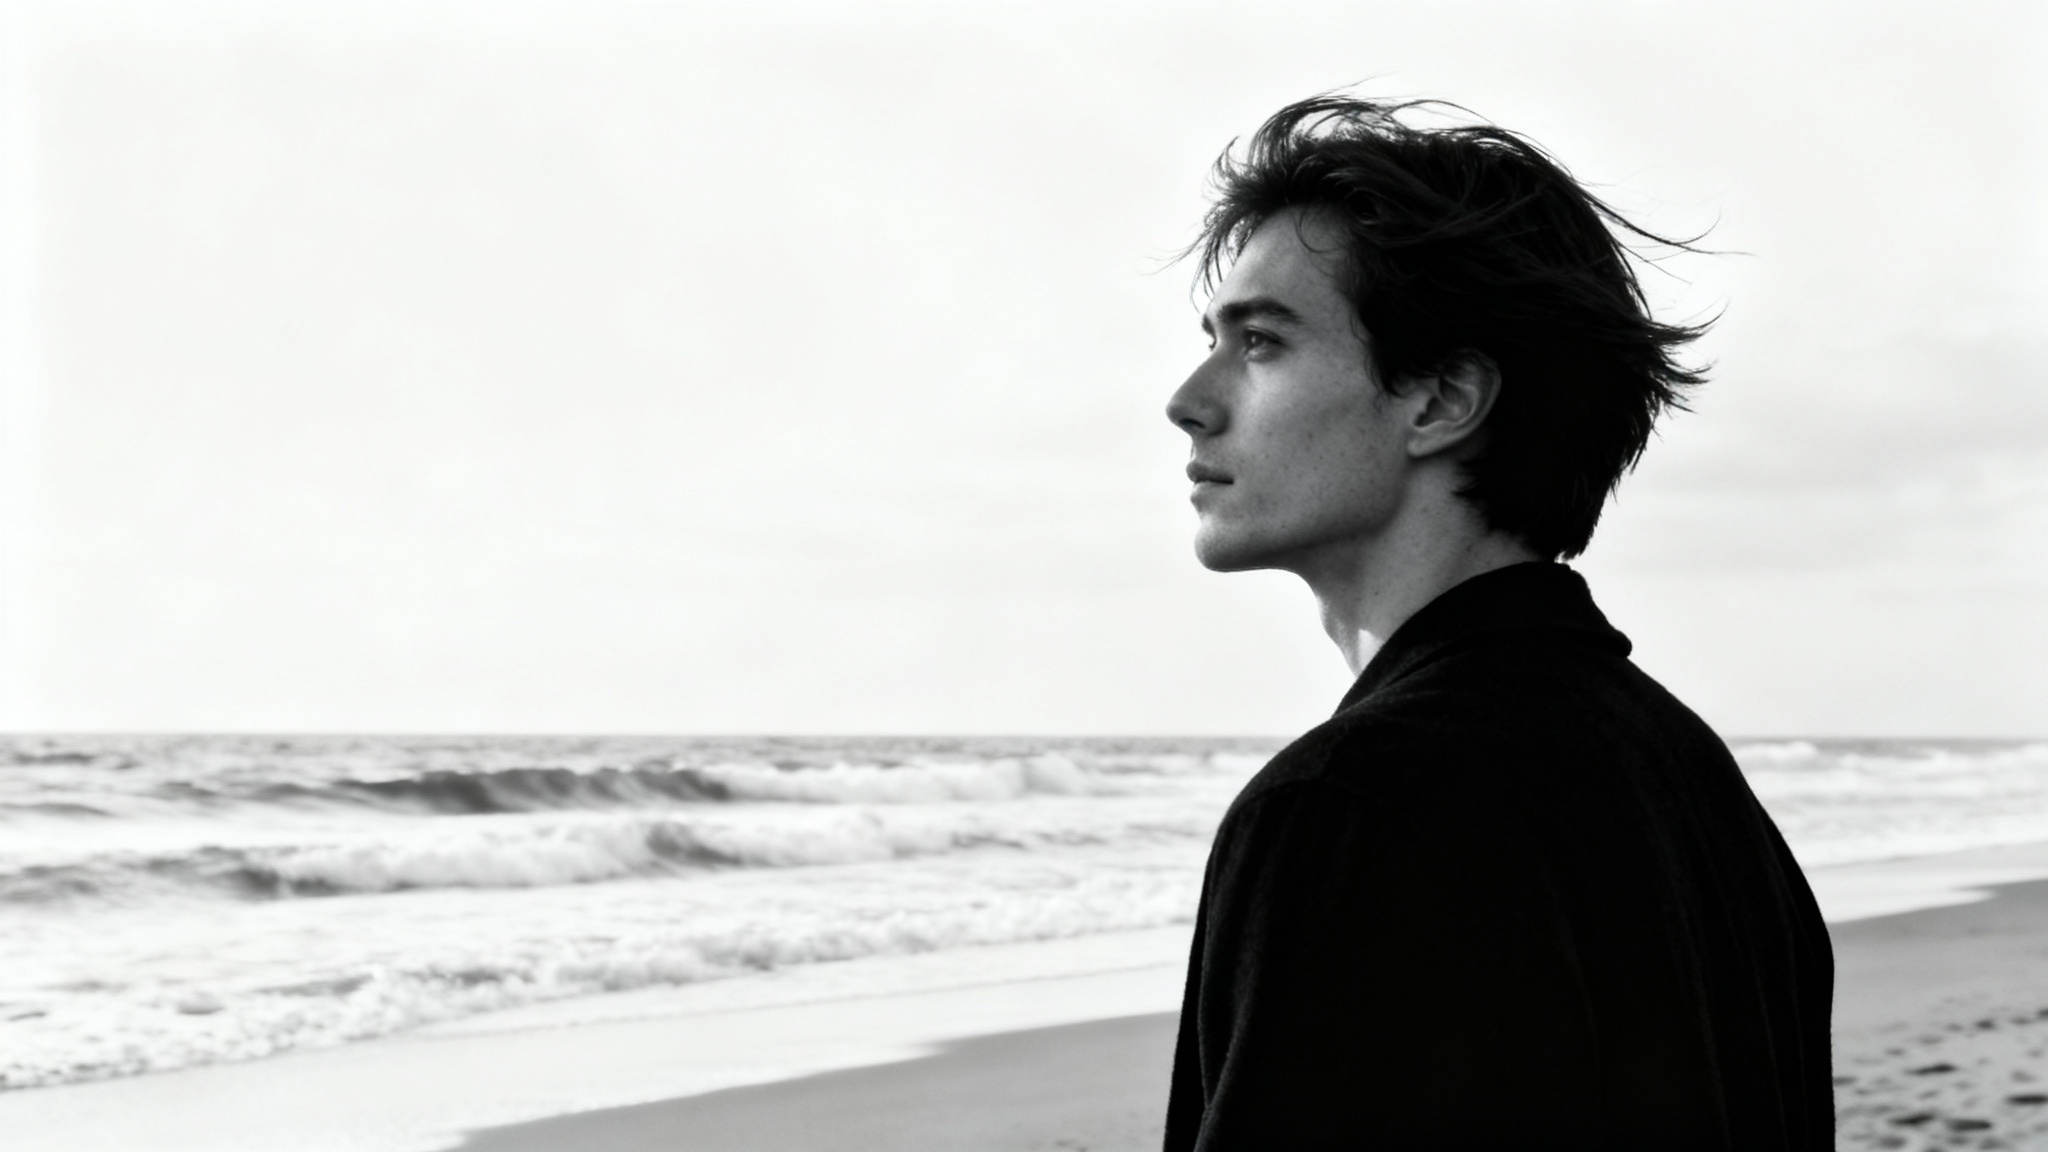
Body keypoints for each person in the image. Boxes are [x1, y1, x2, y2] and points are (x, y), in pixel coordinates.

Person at [1160, 95, 1834, 1150]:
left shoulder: (1348, 810)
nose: (1189, 400)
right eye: (1212, 340)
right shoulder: (1697, 794)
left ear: (1438, 401)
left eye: (1261, 343)